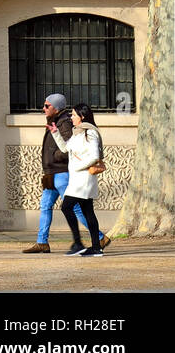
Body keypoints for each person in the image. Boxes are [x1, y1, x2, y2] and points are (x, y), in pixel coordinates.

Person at [23, 93, 92, 253]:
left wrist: (55, 157)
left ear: (57, 108)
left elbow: (69, 147)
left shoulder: (64, 123)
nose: (44, 108)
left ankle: (100, 237)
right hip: (52, 174)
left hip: (61, 173)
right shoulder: (55, 121)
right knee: (45, 206)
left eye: (47, 106)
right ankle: (42, 242)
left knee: (74, 208)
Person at [49, 103, 106, 257]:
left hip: (84, 180)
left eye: (74, 115)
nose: (71, 117)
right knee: (88, 212)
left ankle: (79, 243)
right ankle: (96, 247)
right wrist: (55, 133)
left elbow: (94, 156)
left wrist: (78, 167)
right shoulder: (77, 133)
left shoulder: (90, 133)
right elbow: (65, 149)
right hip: (77, 180)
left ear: (82, 116)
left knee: (66, 207)